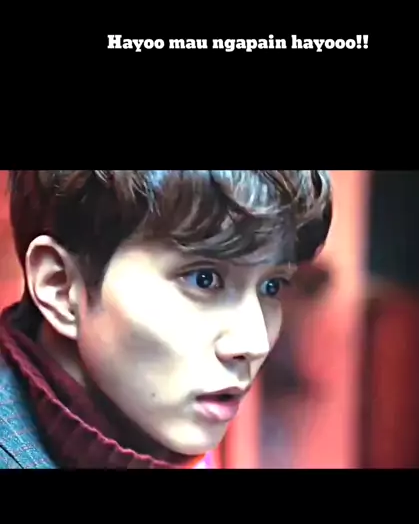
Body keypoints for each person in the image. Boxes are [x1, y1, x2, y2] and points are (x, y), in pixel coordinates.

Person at [0, 171, 332, 469]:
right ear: (60, 287)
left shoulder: (151, 438)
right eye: (203, 279)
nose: (254, 343)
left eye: (272, 286)